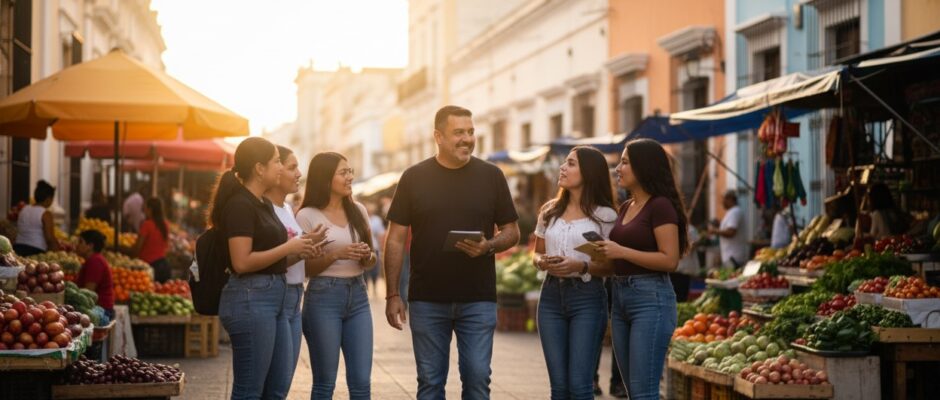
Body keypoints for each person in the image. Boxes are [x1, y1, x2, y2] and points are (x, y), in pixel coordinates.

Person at [384, 105, 520, 400]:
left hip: (478, 298)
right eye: (458, 132)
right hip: (427, 299)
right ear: (438, 137)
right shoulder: (413, 177)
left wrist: (489, 246)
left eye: (471, 132)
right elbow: (395, 239)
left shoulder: (492, 176)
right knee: (430, 383)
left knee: (477, 379)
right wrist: (392, 294)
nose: (467, 139)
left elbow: (512, 231)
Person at [210, 137, 319, 399]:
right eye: (277, 161)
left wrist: (301, 249)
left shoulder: (262, 204)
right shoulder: (240, 205)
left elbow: (272, 260)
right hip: (251, 300)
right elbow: (242, 262)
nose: (281, 167)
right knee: (249, 390)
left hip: (273, 300)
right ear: (259, 168)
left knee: (277, 389)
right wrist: (289, 248)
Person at [595, 139, 689, 400]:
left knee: (643, 392)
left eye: (624, 162)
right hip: (620, 298)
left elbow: (669, 260)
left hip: (650, 299)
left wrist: (621, 251)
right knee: (633, 391)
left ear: (643, 166)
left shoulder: (660, 206)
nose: (618, 168)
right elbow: (618, 256)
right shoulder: (627, 206)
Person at [533, 146, 617, 399]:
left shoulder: (605, 216)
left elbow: (612, 266)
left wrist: (580, 266)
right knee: (559, 387)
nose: (562, 168)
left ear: (589, 172)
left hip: (587, 297)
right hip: (550, 297)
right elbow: (536, 253)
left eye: (570, 163)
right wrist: (542, 262)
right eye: (565, 162)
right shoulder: (550, 211)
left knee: (580, 386)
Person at [296, 152, 376, 399]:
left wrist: (367, 256)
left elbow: (371, 259)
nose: (350, 177)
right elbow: (304, 269)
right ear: (325, 178)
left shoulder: (358, 210)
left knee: (361, 382)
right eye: (343, 172)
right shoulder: (307, 215)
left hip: (358, 296)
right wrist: (336, 254)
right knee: (325, 382)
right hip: (323, 298)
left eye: (350, 171)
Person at [265, 145, 323, 398]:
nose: (299, 173)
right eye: (292, 167)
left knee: (283, 381)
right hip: (277, 296)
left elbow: (291, 252)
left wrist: (310, 247)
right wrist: (299, 250)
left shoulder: (288, 208)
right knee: (275, 385)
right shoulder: (264, 210)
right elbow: (268, 259)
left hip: (295, 297)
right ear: (275, 170)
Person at [75, 229, 115, 319]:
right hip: (99, 308)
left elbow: (88, 292)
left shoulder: (95, 261)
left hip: (101, 311)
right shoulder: (94, 259)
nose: (77, 245)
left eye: (80, 242)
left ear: (90, 246)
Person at [14, 180, 60, 256]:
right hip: (36, 252)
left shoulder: (24, 209)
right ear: (48, 199)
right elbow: (49, 238)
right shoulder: (46, 214)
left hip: (17, 249)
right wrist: (58, 254)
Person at [130, 198, 171, 283]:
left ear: (150, 209)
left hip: (149, 267)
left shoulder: (147, 224)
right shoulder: (165, 224)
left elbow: (137, 248)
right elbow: (166, 246)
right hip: (164, 265)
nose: (144, 211)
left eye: (145, 208)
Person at [709, 190, 747, 268]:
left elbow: (731, 232)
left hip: (734, 257)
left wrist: (714, 231)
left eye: (724, 199)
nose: (722, 202)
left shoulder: (735, 212)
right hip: (731, 257)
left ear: (730, 199)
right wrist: (719, 225)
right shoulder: (732, 212)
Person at [366, 202, 386, 296]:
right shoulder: (362, 218)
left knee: (375, 269)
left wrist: (382, 247)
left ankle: (374, 286)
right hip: (365, 248)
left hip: (375, 248)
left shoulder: (377, 220)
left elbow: (380, 234)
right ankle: (366, 288)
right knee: (365, 270)